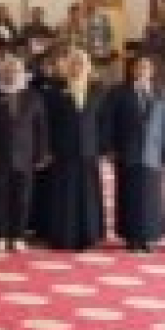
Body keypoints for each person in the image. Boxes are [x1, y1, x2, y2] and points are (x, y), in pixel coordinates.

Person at [102, 54, 165, 252]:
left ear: (152, 71)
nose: (142, 70)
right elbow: (108, 122)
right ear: (132, 69)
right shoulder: (119, 92)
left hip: (153, 154)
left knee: (152, 198)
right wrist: (108, 148)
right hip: (127, 152)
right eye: (138, 66)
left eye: (146, 67)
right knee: (129, 195)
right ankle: (131, 237)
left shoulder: (161, 93)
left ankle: (149, 237)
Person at [0, 55, 48, 251]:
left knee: (23, 198)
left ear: (22, 73)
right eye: (8, 70)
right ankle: (0, 235)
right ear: (2, 73)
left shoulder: (33, 96)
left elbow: (41, 129)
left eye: (15, 70)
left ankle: (18, 235)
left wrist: (41, 154)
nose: (12, 74)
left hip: (25, 157)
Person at [40, 48, 107, 251]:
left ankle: (88, 236)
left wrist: (102, 147)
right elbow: (48, 123)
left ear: (87, 66)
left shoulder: (97, 91)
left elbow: (102, 122)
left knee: (87, 195)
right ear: (68, 66)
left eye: (81, 63)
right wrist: (47, 149)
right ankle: (63, 236)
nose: (77, 67)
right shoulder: (55, 91)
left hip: (89, 150)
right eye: (74, 63)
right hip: (63, 150)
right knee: (65, 194)